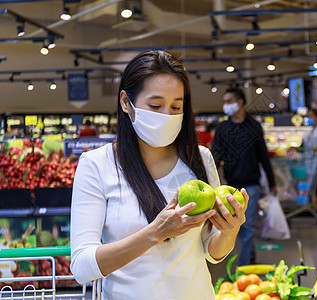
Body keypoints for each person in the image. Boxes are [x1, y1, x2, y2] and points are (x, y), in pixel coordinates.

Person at [70, 51, 249, 300]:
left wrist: (230, 231)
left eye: (176, 106)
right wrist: (155, 232)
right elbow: (81, 267)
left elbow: (211, 251)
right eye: (155, 106)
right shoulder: (96, 165)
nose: (167, 115)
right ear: (125, 102)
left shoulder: (200, 158)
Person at [212, 87, 276, 266]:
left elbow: (263, 155)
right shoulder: (223, 128)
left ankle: (243, 267)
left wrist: (272, 182)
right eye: (224, 102)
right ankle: (250, 255)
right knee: (238, 228)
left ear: (240, 102)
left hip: (251, 185)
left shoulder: (254, 127)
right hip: (229, 185)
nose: (226, 105)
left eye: (229, 101)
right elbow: (215, 157)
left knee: (246, 228)